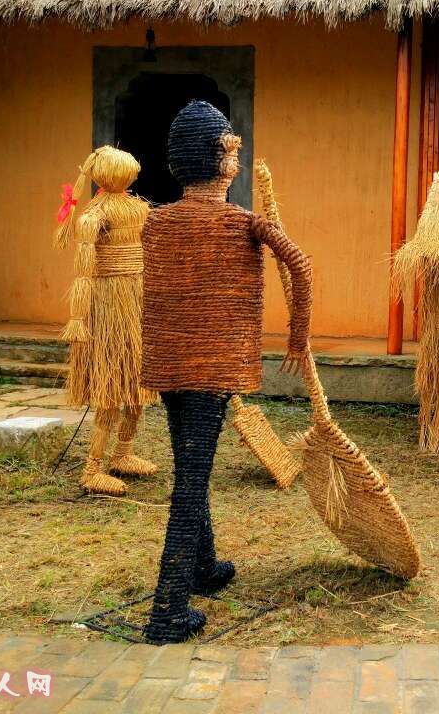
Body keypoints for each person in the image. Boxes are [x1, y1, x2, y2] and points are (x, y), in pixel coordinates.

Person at [141, 101, 313, 643]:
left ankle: (203, 568)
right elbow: (302, 268)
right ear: (221, 160)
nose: (235, 155)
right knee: (191, 481)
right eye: (230, 147)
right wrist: (298, 338)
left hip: (170, 363)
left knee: (191, 465)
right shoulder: (243, 222)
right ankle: (168, 610)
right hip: (212, 366)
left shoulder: (155, 222)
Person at [55, 147, 158, 496]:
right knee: (111, 388)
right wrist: (77, 319)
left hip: (136, 301)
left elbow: (153, 253)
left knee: (138, 386)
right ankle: (92, 468)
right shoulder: (92, 216)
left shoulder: (140, 209)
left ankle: (123, 453)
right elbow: (84, 273)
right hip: (108, 304)